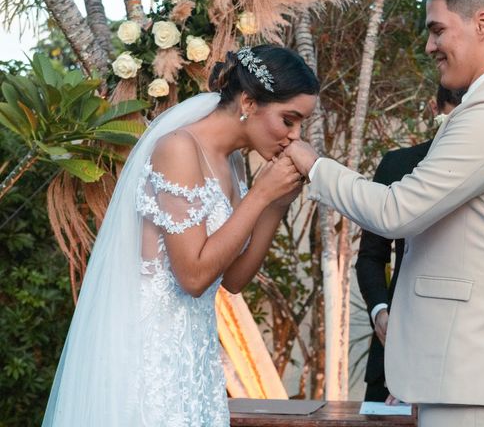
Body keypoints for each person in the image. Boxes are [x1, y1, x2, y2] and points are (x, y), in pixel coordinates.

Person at [286, 0, 484, 427]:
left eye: (437, 30)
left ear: (482, 24)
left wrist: (315, 166)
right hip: (467, 372)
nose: (430, 45)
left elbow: (396, 212)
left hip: (477, 372)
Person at [43, 45, 319, 426]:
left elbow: (233, 280)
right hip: (148, 357)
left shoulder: (231, 160)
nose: (294, 136)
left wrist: (276, 205)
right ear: (249, 102)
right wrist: (260, 195)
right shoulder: (177, 148)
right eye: (289, 120)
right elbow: (192, 276)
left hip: (194, 356)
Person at [355, 86, 464, 403]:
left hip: (460, 359)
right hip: (393, 349)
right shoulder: (397, 165)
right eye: (452, 114)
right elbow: (371, 257)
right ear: (434, 109)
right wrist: (380, 312)